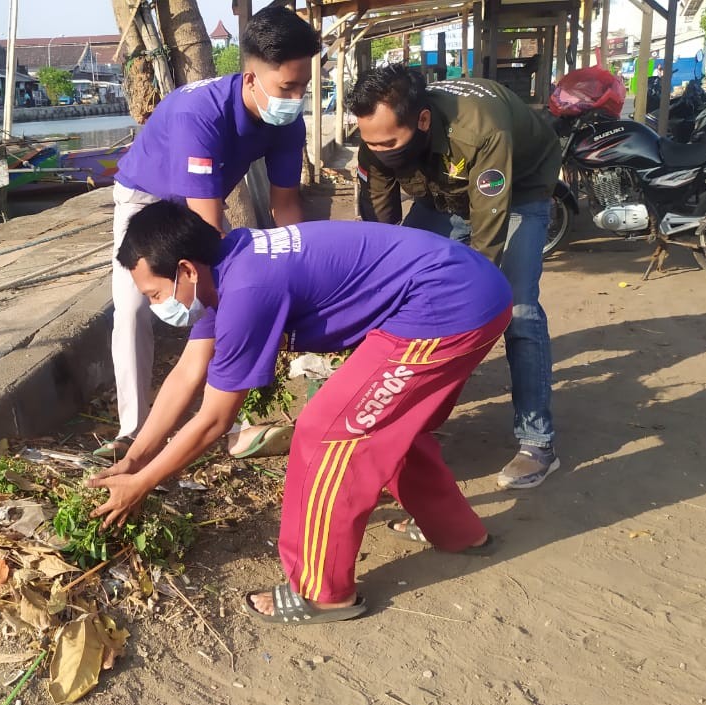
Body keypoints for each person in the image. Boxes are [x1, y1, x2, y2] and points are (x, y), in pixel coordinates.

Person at [88, 201, 512, 624]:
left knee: (330, 432)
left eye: (156, 294)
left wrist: (143, 484)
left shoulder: (248, 290)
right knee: (380, 421)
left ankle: (323, 592)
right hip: (456, 289)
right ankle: (455, 530)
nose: (159, 305)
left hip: (447, 305)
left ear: (185, 270)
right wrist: (135, 456)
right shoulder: (225, 269)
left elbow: (214, 420)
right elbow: (186, 373)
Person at [97, 4, 321, 460]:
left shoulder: (287, 121)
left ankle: (223, 414)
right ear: (251, 78)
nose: (296, 98)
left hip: (198, 200)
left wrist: (304, 273)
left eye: (303, 86)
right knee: (136, 308)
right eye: (287, 87)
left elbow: (286, 205)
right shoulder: (198, 114)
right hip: (148, 198)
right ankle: (133, 432)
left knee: (220, 294)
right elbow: (205, 230)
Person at [349, 64, 562, 491]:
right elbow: (381, 226)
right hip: (442, 188)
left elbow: (487, 232)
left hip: (516, 190)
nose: (381, 149)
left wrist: (470, 306)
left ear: (422, 121)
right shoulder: (376, 138)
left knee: (516, 309)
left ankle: (537, 441)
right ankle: (404, 425)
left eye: (390, 142)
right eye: (372, 142)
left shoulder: (482, 130)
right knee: (398, 296)